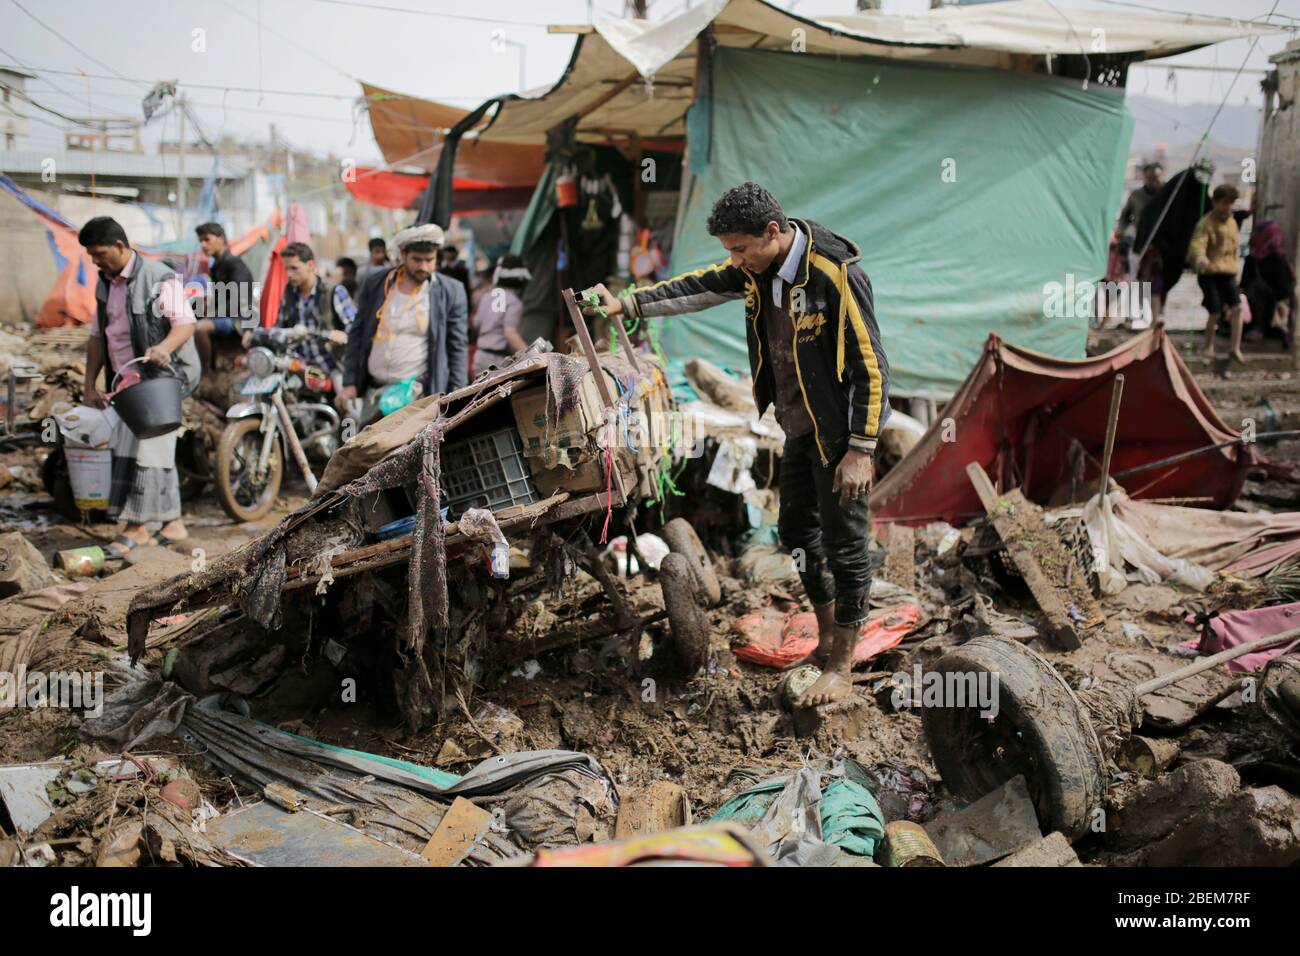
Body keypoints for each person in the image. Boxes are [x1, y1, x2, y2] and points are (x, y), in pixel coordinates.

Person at [582, 182, 890, 708]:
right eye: (730, 250)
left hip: (839, 432)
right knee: (795, 529)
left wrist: (861, 448)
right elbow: (699, 287)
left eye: (740, 248)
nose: (735, 259)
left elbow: (872, 364)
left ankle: (843, 665)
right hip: (797, 426)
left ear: (773, 231)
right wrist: (628, 305)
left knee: (846, 544)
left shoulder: (834, 274)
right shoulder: (757, 268)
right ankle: (823, 642)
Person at [79, 217, 200, 556]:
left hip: (161, 379)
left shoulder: (158, 277)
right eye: (91, 256)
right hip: (126, 382)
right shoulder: (104, 285)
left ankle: (137, 528)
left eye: (99, 253)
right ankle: (173, 524)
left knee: (146, 449)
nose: (95, 261)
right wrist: (90, 385)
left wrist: (164, 348)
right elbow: (95, 338)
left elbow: (185, 325)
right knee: (153, 449)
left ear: (120, 246)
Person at [339, 223, 469, 413]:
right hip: (373, 392)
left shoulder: (451, 291)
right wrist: (349, 382)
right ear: (402, 254)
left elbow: (457, 346)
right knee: (370, 442)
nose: (424, 267)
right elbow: (357, 333)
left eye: (429, 260)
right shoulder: (376, 282)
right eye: (417, 260)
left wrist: (458, 394)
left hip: (417, 395)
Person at [262, 242, 353, 385]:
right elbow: (278, 327)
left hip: (330, 366)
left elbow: (354, 328)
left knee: (346, 399)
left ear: (310, 265)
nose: (289, 274)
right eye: (286, 269)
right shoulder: (289, 294)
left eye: (294, 268)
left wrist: (341, 336)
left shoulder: (333, 291)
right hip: (299, 367)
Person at [1190, 184, 1246, 363]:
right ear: (1215, 202)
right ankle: (1208, 347)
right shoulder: (1206, 222)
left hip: (1227, 272)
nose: (1227, 207)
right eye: (1224, 203)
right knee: (1214, 312)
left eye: (1230, 203)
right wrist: (1200, 258)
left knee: (1237, 308)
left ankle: (1235, 348)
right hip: (1209, 273)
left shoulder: (1232, 222)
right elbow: (1198, 244)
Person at [192, 221, 256, 370]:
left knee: (200, 328)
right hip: (222, 315)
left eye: (207, 239)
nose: (203, 245)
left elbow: (241, 298)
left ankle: (206, 373)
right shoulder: (216, 266)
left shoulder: (235, 264)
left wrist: (212, 312)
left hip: (239, 319)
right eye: (200, 241)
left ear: (220, 239)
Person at [470, 255, 530, 377]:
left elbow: (476, 323)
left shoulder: (487, 296)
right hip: (497, 361)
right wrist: (532, 355)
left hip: (479, 357)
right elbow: (510, 333)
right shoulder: (513, 302)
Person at [1241, 220, 1297, 350]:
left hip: (1273, 305)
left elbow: (1284, 290)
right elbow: (1244, 283)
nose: (1253, 236)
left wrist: (1265, 291)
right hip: (1252, 304)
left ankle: (1264, 329)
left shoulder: (1277, 259)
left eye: (1257, 234)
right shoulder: (1251, 259)